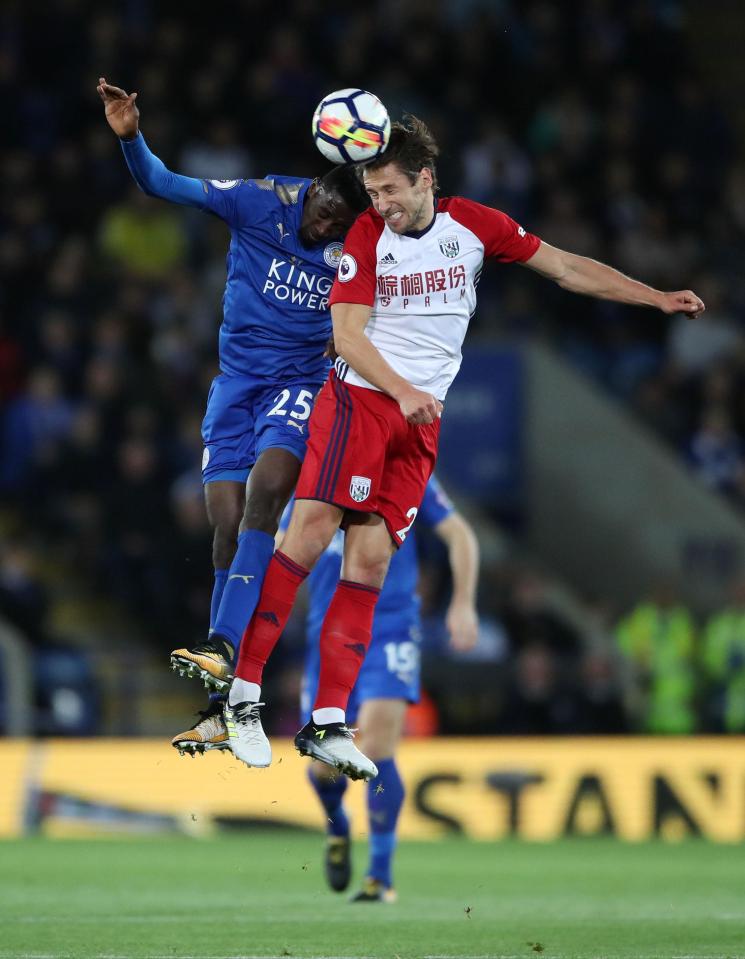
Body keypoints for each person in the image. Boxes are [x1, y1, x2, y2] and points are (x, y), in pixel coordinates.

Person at [225, 114, 705, 780]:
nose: (381, 203)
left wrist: (651, 297)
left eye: (391, 189)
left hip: (417, 422)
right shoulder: (365, 236)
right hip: (361, 402)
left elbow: (564, 267)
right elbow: (348, 337)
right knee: (306, 538)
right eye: (372, 190)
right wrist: (401, 391)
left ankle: (328, 720)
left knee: (368, 567)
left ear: (425, 179)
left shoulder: (474, 226)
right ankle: (242, 696)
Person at [97, 78, 370, 747]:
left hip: (299, 383)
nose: (326, 233)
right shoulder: (258, 201)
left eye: (338, 229)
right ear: (314, 193)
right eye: (325, 219)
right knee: (223, 522)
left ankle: (222, 643)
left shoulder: (359, 240)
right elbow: (164, 184)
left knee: (267, 490)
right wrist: (131, 137)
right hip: (236, 382)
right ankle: (225, 688)